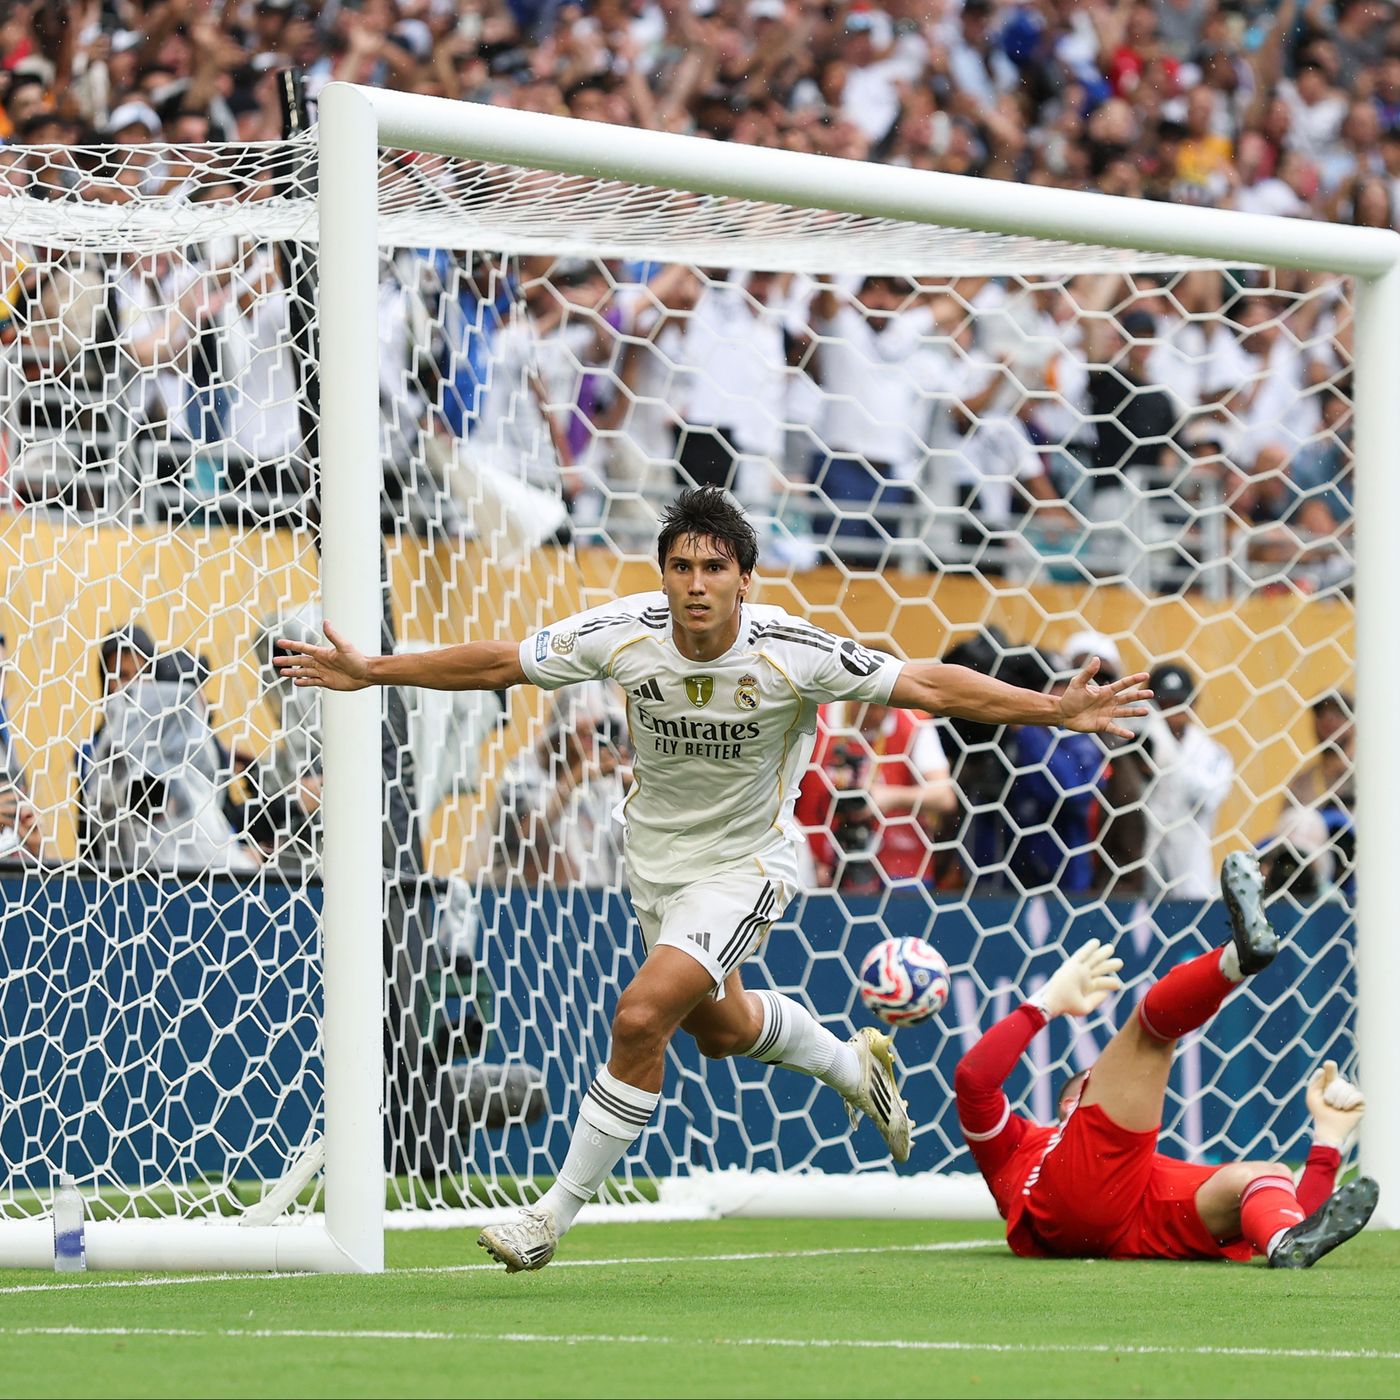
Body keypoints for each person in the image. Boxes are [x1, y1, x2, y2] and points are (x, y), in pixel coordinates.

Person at [274, 485, 1151, 1273]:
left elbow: (922, 683)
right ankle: (854, 1068)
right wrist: (372, 672)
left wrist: (1052, 708)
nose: (695, 583)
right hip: (653, 862)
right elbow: (501, 661)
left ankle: (551, 1216)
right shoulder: (621, 634)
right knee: (723, 1029)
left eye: (714, 568)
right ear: (663, 575)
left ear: (745, 580)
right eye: (681, 566)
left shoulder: (789, 652)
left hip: (748, 866)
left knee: (640, 1015)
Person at [955, 852, 1378, 1267]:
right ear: (1072, 1104)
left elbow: (1302, 1214)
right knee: (1149, 1035)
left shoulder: (1117, 1165)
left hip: (1132, 1222)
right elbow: (974, 1079)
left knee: (1263, 1179)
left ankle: (1280, 1244)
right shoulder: (1020, 1145)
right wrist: (1043, 1003)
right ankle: (1234, 959)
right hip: (1072, 1201)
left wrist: (1328, 1139)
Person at [1140, 661, 1235, 899]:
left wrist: (1166, 756)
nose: (1173, 713)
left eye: (1180, 703)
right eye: (1165, 704)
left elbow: (1208, 796)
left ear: (1194, 704)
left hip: (1193, 872)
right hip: (1142, 868)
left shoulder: (1214, 754)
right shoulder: (1136, 748)